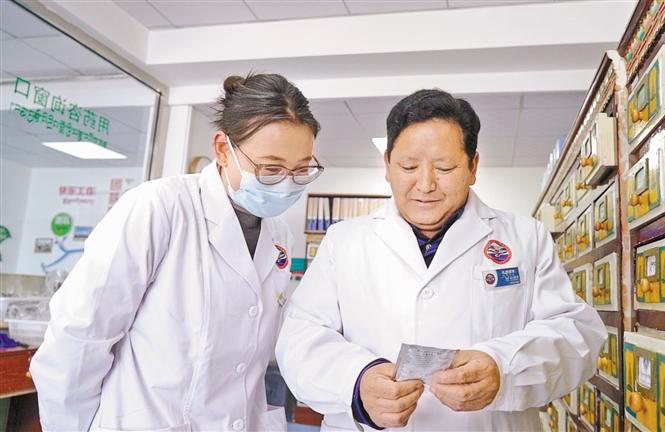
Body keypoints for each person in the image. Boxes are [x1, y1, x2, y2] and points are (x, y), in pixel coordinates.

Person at [275, 89, 607, 431]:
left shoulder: (525, 238)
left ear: (473, 166)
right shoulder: (343, 242)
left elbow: (576, 334)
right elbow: (300, 338)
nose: (425, 184)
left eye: (445, 167)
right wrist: (357, 381)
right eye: (408, 166)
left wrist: (504, 368)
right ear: (387, 165)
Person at [30, 73, 324, 431]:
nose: (287, 183)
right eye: (271, 168)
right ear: (223, 149)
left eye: (301, 170)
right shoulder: (159, 208)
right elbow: (78, 340)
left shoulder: (278, 235)